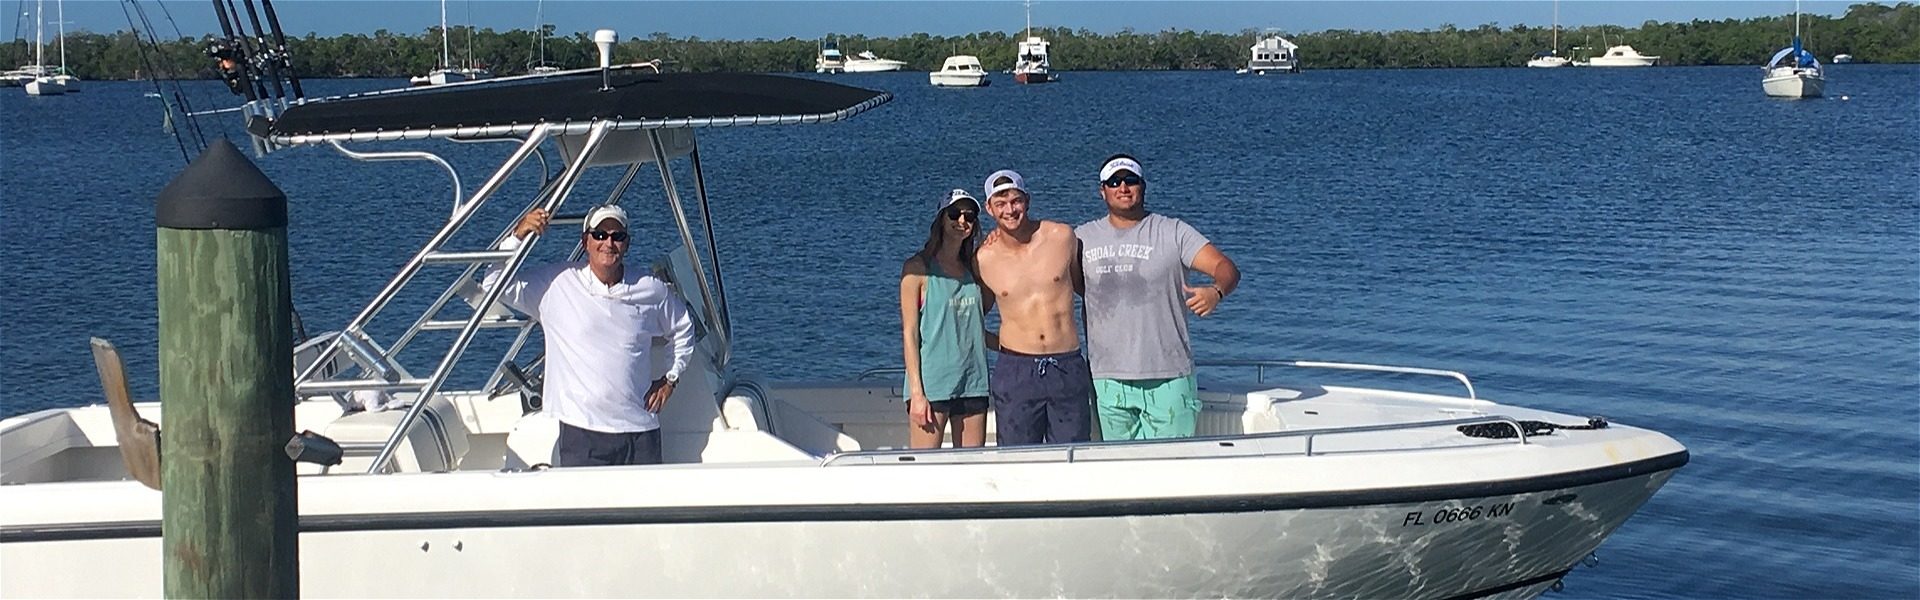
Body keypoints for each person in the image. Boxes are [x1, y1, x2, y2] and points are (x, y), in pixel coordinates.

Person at [484, 204, 696, 466]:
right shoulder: (556, 284)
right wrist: (518, 236)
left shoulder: (650, 288)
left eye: (617, 236)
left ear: (627, 244)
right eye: (599, 235)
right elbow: (493, 284)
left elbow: (684, 327)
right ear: (585, 241)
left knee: (644, 508)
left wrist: (670, 378)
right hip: (582, 433)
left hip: (641, 431)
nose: (608, 243)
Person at [1076, 154, 1240, 440]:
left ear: (1143, 186)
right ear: (1102, 190)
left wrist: (1216, 291)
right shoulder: (1080, 237)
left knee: (1171, 468)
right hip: (1107, 377)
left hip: (1169, 374)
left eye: (1131, 181)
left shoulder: (1174, 232)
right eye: (1114, 182)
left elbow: (1226, 268)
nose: (1123, 187)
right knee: (1119, 469)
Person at [974, 169, 1094, 445]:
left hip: (1066, 363)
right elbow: (972, 314)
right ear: (989, 208)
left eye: (1015, 201)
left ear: (1027, 200)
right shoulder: (984, 258)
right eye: (1001, 203)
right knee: (1018, 460)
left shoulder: (1062, 237)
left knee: (1071, 455)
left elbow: (1087, 290)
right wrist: (998, 344)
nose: (1010, 210)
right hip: (1016, 368)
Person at [898, 189, 994, 449]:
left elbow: (975, 323)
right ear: (941, 218)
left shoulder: (973, 270)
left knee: (971, 470)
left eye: (969, 216)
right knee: (926, 470)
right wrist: (917, 394)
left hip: (973, 382)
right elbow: (910, 333)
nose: (962, 221)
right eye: (955, 214)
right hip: (933, 385)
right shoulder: (917, 269)